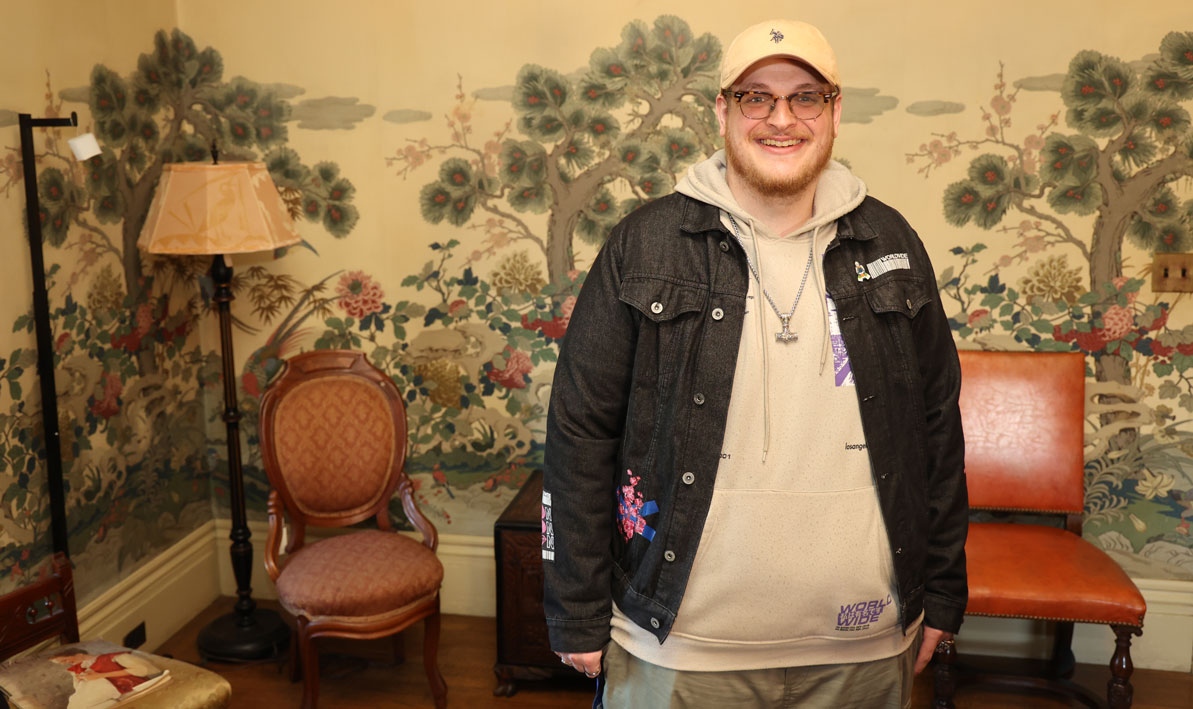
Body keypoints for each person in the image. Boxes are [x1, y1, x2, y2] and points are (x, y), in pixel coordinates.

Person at [541, 17, 968, 708]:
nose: (781, 118)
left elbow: (936, 429)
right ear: (722, 111)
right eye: (755, 97)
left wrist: (945, 588)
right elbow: (579, 433)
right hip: (675, 647)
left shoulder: (889, 242)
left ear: (835, 112)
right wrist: (574, 606)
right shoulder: (643, 246)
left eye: (805, 97)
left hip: (860, 645)